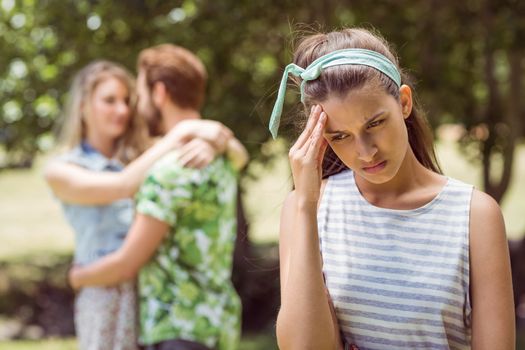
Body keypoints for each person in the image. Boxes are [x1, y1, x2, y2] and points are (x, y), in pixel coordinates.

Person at [270, 28, 515, 350]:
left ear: (403, 102)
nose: (366, 151)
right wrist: (306, 204)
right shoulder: (307, 208)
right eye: (340, 136)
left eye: (374, 123)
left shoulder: (474, 214)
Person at [45, 60, 247, 350]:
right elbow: (121, 186)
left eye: (127, 100)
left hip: (149, 296)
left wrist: (214, 145)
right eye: (109, 100)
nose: (123, 110)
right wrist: (184, 132)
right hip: (105, 292)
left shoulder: (144, 155)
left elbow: (239, 157)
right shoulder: (62, 170)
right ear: (82, 105)